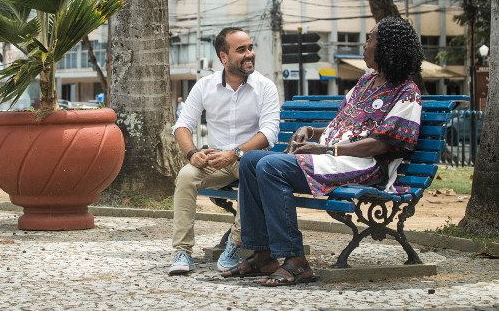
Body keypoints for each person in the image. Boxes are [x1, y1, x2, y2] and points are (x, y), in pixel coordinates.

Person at [223, 16, 424, 286]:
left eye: (369, 40)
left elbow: (381, 144)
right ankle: (263, 254)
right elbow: (338, 126)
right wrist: (311, 131)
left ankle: (296, 261)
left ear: (387, 48)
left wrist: (327, 149)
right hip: (334, 156)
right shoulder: (365, 83)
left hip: (363, 165)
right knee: (250, 160)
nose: (364, 46)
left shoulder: (407, 93)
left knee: (271, 168)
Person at [169, 27, 280, 275]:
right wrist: (192, 153)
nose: (249, 54)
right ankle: (182, 251)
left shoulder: (265, 87)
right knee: (186, 176)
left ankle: (235, 244)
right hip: (216, 158)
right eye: (241, 50)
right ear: (223, 57)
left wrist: (235, 153)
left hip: (251, 159)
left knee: (250, 174)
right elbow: (183, 125)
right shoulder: (205, 86)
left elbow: (270, 131)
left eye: (250, 48)